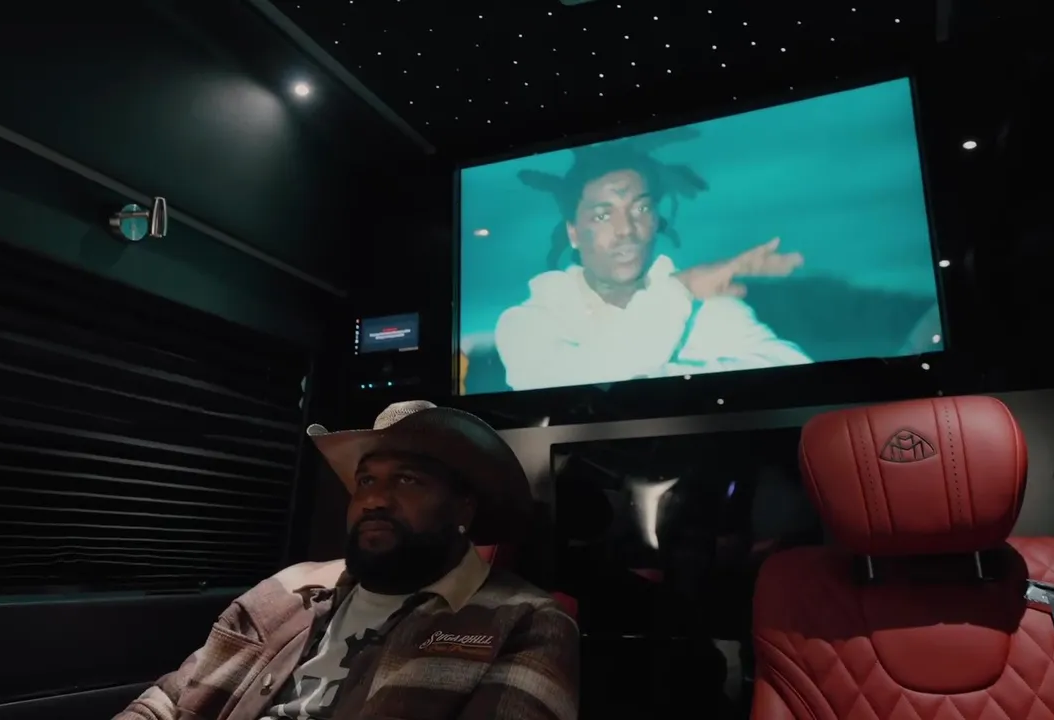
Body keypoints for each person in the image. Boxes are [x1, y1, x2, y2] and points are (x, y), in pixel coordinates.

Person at [114, 400, 579, 720]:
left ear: (463, 508)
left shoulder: (524, 621)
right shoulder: (289, 588)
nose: (375, 499)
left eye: (408, 480)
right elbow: (169, 699)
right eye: (366, 481)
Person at [496, 141, 812, 391]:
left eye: (641, 209)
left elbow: (794, 369)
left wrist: (653, 378)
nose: (626, 229)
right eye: (603, 215)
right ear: (574, 233)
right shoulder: (526, 323)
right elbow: (567, 386)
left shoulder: (706, 305)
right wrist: (680, 290)